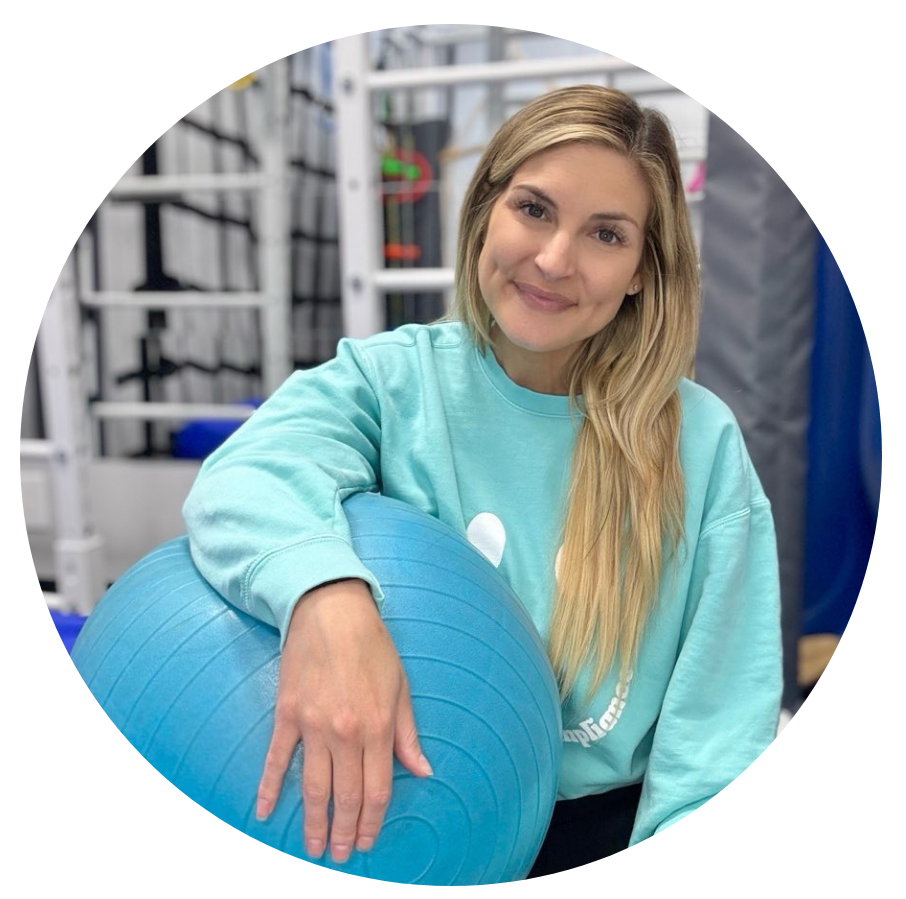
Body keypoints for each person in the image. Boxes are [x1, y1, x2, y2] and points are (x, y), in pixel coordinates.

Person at [182, 84, 782, 877]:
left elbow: (719, 731)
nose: (555, 260)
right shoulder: (392, 380)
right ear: (485, 212)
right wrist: (324, 595)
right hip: (406, 827)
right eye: (534, 209)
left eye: (606, 233)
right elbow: (243, 477)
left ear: (642, 269)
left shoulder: (700, 443)